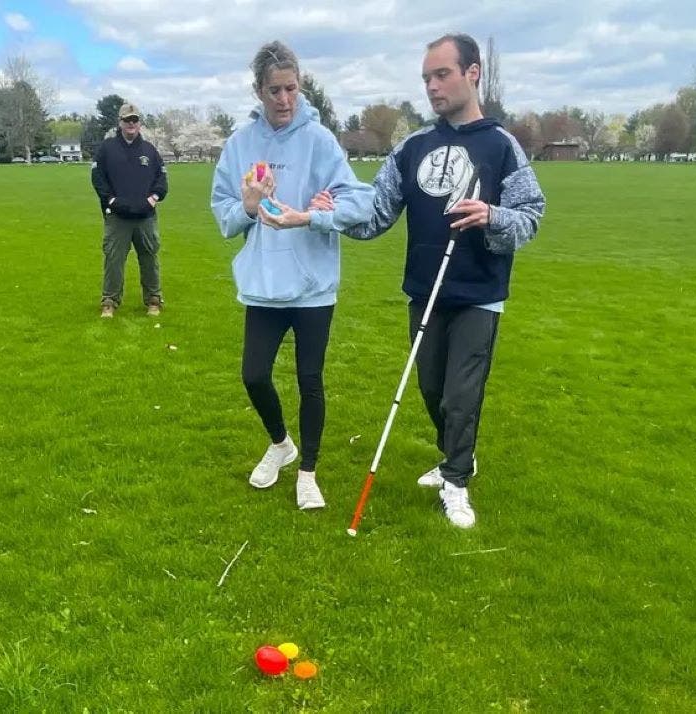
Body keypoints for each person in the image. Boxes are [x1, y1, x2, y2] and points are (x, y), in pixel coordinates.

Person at [315, 34, 545, 528]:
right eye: (426, 78)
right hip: (425, 290)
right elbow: (376, 214)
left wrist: (492, 216)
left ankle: (456, 480)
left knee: (461, 395)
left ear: (473, 73)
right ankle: (457, 454)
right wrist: (333, 214)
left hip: (479, 294)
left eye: (442, 75)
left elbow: (530, 215)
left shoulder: (501, 146)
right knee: (432, 388)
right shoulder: (413, 146)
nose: (432, 86)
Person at [211, 41, 374, 510]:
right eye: (274, 91)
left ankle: (308, 473)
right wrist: (247, 207)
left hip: (312, 287)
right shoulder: (240, 145)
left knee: (310, 380)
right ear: (258, 91)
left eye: (292, 89)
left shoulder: (319, 140)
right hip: (263, 285)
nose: (284, 100)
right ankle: (282, 444)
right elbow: (223, 213)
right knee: (254, 375)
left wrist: (316, 214)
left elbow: (359, 201)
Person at [91, 102, 168, 318]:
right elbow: (97, 178)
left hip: (145, 217)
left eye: (134, 120)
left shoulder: (150, 150)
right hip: (118, 217)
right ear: (120, 122)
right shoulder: (107, 148)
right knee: (114, 260)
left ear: (139, 123)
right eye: (127, 120)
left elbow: (162, 179)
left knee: (149, 258)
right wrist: (110, 200)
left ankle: (153, 299)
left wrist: (153, 198)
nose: (131, 124)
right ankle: (109, 301)